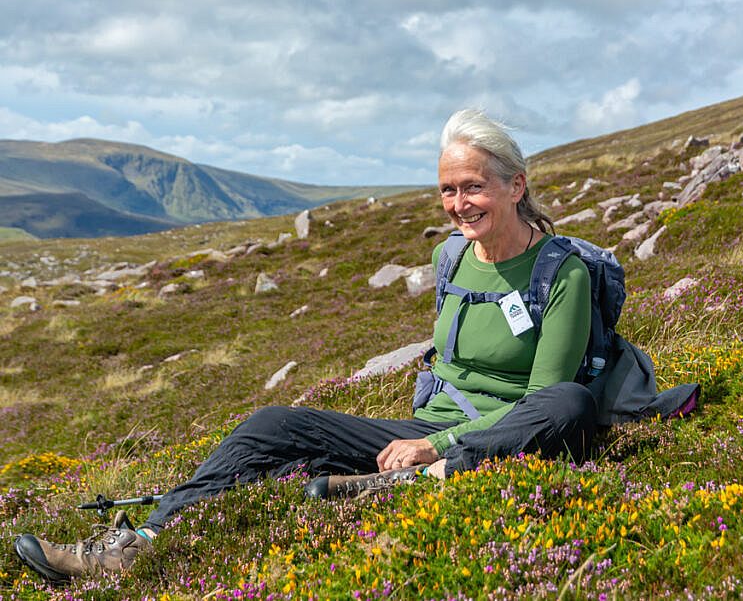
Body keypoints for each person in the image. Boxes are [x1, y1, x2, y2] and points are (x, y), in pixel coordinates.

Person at [14, 108, 597, 583]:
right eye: (448, 189)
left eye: (474, 187)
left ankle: (417, 477)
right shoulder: (451, 257)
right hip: (422, 429)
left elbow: (542, 397)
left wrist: (434, 445)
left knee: (570, 403)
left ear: (516, 185)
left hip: (501, 433)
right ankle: (138, 543)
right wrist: (420, 436)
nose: (459, 203)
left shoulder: (561, 273)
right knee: (272, 424)